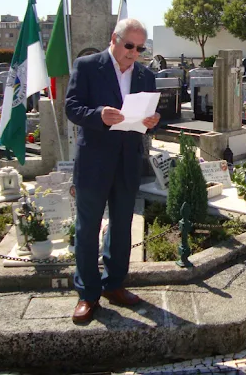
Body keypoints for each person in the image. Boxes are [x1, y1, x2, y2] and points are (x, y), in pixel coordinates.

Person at [65, 18, 161, 324]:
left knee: (122, 226)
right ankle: (88, 293)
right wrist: (98, 115)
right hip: (94, 161)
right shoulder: (87, 66)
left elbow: (150, 116)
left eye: (140, 48)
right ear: (114, 39)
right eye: (129, 45)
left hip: (128, 160)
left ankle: (114, 284)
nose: (134, 53)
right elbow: (71, 107)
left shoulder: (146, 75)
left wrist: (152, 121)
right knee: (87, 227)